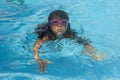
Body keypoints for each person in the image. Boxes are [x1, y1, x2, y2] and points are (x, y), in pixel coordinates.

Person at [33, 10, 106, 73]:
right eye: (55, 22)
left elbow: (85, 43)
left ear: (67, 25)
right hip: (42, 30)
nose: (60, 25)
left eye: (64, 22)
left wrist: (95, 53)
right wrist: (38, 59)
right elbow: (36, 46)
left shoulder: (69, 34)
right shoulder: (47, 36)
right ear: (49, 25)